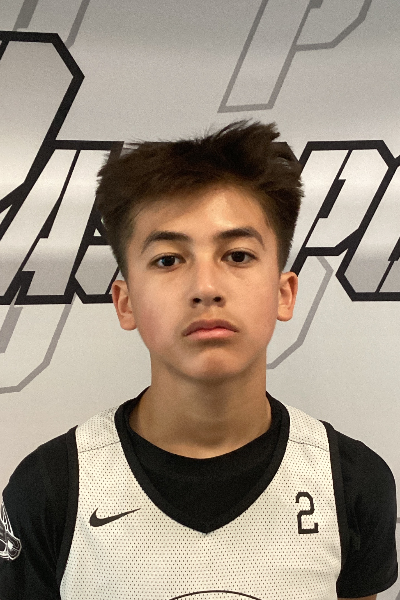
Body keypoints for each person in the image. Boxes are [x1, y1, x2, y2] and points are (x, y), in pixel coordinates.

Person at [0, 121, 397, 599]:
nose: (206, 288)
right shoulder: (50, 489)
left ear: (284, 293)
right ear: (125, 302)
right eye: (169, 260)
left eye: (238, 255)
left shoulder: (351, 482)